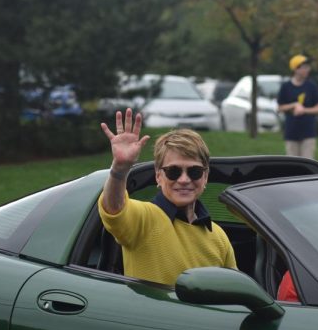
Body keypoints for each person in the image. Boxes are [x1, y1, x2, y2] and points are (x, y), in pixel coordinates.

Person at [98, 109, 236, 284]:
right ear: (158, 176)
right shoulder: (143, 218)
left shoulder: (218, 236)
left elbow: (232, 292)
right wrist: (119, 169)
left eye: (194, 171)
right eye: (173, 171)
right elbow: (113, 208)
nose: (184, 180)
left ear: (205, 176)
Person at [277, 54, 318, 159]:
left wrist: (304, 110)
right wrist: (294, 105)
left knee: (308, 164)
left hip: (308, 133)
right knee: (292, 165)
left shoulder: (312, 86)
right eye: (304, 67)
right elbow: (280, 108)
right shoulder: (286, 87)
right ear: (296, 69)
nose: (308, 70)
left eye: (308, 67)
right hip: (291, 133)